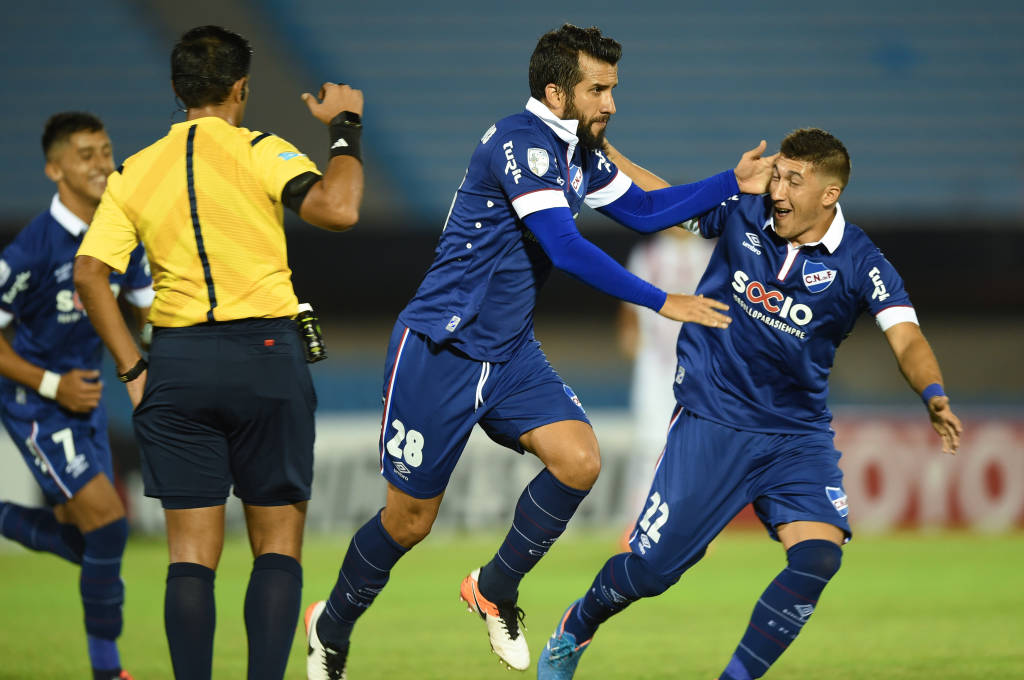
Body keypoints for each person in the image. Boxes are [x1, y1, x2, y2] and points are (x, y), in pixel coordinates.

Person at [302, 23, 777, 679]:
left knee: (580, 461)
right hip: (442, 345)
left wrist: (731, 181)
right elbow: (566, 247)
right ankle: (331, 627)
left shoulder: (578, 153)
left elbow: (642, 211)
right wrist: (662, 300)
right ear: (557, 92)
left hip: (508, 351)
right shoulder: (517, 143)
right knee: (409, 522)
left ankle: (494, 589)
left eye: (613, 89)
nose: (610, 103)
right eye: (598, 90)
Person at [536, 128, 964, 680]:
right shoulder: (744, 211)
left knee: (818, 557)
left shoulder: (862, 261)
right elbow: (665, 202)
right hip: (713, 417)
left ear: (829, 194)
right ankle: (577, 626)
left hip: (796, 433)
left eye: (793, 179)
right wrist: (611, 157)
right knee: (651, 572)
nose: (777, 188)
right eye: (777, 174)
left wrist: (933, 393)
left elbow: (906, 336)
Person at [72, 25, 365, 680]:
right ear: (242, 88)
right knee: (277, 548)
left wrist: (133, 368)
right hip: (265, 355)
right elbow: (339, 208)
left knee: (190, 556)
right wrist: (344, 126)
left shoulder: (135, 171)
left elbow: (91, 274)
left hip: (175, 364)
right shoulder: (262, 150)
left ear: (177, 91)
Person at [0, 112, 150, 680]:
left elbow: (148, 310)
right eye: (85, 154)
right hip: (34, 402)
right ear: (54, 168)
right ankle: (107, 671)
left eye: (106, 151)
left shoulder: (120, 233)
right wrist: (48, 383)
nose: (100, 163)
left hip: (85, 399)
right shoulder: (32, 250)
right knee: (109, 530)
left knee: (89, 541)